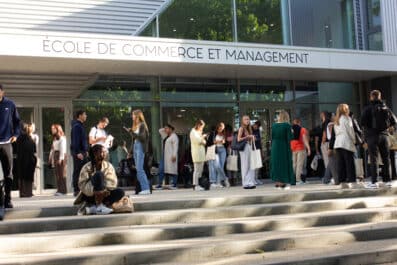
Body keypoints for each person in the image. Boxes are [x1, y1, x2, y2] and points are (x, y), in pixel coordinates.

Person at [361, 90, 397, 189]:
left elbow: (363, 123)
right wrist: (389, 128)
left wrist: (364, 139)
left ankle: (374, 182)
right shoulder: (386, 108)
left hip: (372, 136)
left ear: (371, 97)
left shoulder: (367, 108)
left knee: (374, 159)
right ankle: (387, 181)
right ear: (380, 97)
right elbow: (394, 121)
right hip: (384, 136)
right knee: (386, 159)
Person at [77, 144, 125, 215]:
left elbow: (113, 181)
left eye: (105, 152)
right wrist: (94, 191)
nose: (104, 153)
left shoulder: (108, 166)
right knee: (98, 174)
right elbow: (82, 184)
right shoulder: (86, 167)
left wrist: (103, 191)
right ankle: (99, 206)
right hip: (90, 195)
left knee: (120, 192)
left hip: (105, 194)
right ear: (95, 154)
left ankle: (95, 208)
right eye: (102, 152)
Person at [0, 84, 21, 208]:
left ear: (2, 92)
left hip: (7, 143)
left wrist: (16, 135)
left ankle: (8, 199)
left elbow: (17, 122)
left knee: (8, 174)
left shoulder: (10, 104)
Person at [128, 109, 151, 195]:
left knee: (140, 169)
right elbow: (134, 140)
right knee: (138, 169)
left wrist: (132, 132)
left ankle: (146, 188)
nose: (132, 116)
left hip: (140, 146)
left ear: (137, 115)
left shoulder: (142, 125)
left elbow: (142, 138)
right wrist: (130, 152)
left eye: (133, 115)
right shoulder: (136, 126)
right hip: (136, 146)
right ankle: (144, 188)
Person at [334, 104, 357, 188]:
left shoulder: (336, 120)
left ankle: (342, 182)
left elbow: (336, 133)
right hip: (346, 142)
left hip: (338, 143)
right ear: (345, 110)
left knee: (341, 163)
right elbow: (350, 131)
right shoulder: (347, 118)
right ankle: (352, 181)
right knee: (349, 163)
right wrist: (354, 140)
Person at [270, 111, 294, 189]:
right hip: (283, 146)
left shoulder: (273, 126)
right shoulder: (287, 125)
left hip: (275, 146)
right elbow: (289, 138)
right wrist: (292, 132)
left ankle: (277, 182)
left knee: (276, 163)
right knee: (283, 163)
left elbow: (272, 137)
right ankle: (282, 182)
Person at [15, 123, 37, 198]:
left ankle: (22, 193)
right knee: (29, 176)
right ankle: (29, 192)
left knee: (22, 176)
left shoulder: (18, 139)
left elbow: (16, 150)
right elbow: (34, 150)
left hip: (21, 160)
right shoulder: (30, 139)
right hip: (30, 159)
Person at [71, 110, 89, 196]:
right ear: (80, 116)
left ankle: (81, 189)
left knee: (83, 171)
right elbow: (75, 141)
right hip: (79, 153)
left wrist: (86, 151)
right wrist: (78, 152)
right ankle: (76, 189)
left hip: (83, 152)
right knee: (78, 171)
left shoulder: (80, 126)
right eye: (85, 114)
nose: (86, 116)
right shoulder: (77, 126)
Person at [156, 124, 179, 190]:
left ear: (171, 129)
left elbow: (175, 147)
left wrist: (174, 155)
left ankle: (174, 184)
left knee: (173, 170)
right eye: (165, 128)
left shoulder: (174, 137)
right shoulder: (166, 136)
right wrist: (166, 128)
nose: (165, 130)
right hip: (165, 156)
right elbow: (160, 130)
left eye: (167, 128)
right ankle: (160, 184)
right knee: (161, 169)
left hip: (171, 156)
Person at [206, 122, 228, 188]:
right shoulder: (213, 133)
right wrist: (215, 142)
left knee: (221, 166)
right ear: (218, 126)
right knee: (215, 166)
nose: (222, 128)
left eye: (223, 127)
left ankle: (219, 182)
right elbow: (209, 143)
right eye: (221, 126)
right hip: (215, 150)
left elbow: (225, 143)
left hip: (223, 150)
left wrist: (224, 142)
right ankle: (214, 181)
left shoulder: (224, 133)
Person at [237, 115, 256, 189]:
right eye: (245, 119)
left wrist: (252, 138)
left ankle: (250, 182)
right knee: (245, 165)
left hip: (249, 146)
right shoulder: (241, 128)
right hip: (244, 148)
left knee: (251, 165)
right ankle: (245, 183)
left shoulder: (249, 129)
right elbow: (238, 139)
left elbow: (249, 139)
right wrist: (247, 137)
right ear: (242, 121)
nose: (247, 121)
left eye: (248, 119)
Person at [290, 118, 311, 184]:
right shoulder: (302, 129)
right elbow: (304, 139)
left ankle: (293, 179)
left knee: (294, 164)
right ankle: (298, 180)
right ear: (299, 122)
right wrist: (308, 148)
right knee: (299, 164)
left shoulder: (291, 130)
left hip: (293, 149)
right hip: (301, 148)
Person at [49, 124, 67, 196]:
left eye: (53, 129)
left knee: (62, 174)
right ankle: (59, 189)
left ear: (58, 129)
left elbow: (63, 149)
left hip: (61, 156)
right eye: (52, 129)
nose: (52, 130)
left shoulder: (62, 138)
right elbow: (52, 149)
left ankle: (62, 190)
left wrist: (61, 158)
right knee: (57, 174)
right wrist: (50, 158)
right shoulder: (55, 138)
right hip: (56, 155)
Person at [190, 119, 207, 191]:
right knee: (196, 170)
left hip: (201, 153)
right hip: (196, 153)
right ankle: (195, 184)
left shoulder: (199, 132)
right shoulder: (193, 132)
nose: (202, 128)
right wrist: (202, 137)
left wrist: (202, 138)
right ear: (199, 125)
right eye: (202, 127)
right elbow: (198, 141)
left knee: (200, 170)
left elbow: (204, 142)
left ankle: (199, 184)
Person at [252, 121, 264, 185]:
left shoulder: (258, 131)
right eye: (255, 125)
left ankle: (256, 178)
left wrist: (262, 151)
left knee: (258, 165)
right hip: (253, 149)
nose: (255, 126)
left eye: (257, 126)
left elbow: (260, 141)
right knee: (254, 165)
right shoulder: (251, 130)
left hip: (258, 149)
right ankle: (253, 178)